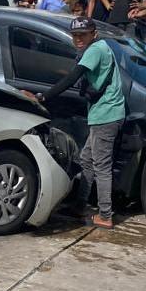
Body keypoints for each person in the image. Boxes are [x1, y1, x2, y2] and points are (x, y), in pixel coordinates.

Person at [22, 18, 126, 229]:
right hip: (104, 113)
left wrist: (43, 97)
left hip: (106, 115)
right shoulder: (100, 47)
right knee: (87, 159)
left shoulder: (95, 50)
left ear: (93, 34)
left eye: (83, 35)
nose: (78, 39)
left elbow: (72, 77)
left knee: (101, 165)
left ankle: (105, 214)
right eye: (75, 35)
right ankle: (79, 205)